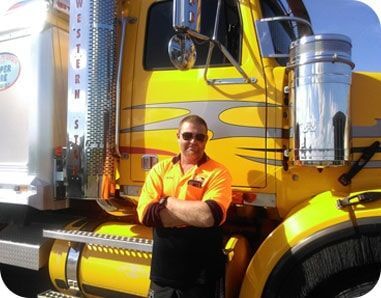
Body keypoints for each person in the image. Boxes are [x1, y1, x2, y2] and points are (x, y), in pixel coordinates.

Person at [137, 114, 232, 298]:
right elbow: (147, 214)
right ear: (178, 136)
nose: (193, 141)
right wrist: (193, 213)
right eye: (187, 136)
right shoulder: (160, 169)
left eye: (199, 137)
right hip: (162, 276)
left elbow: (209, 216)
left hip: (200, 279)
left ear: (206, 140)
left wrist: (166, 202)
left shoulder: (218, 172)